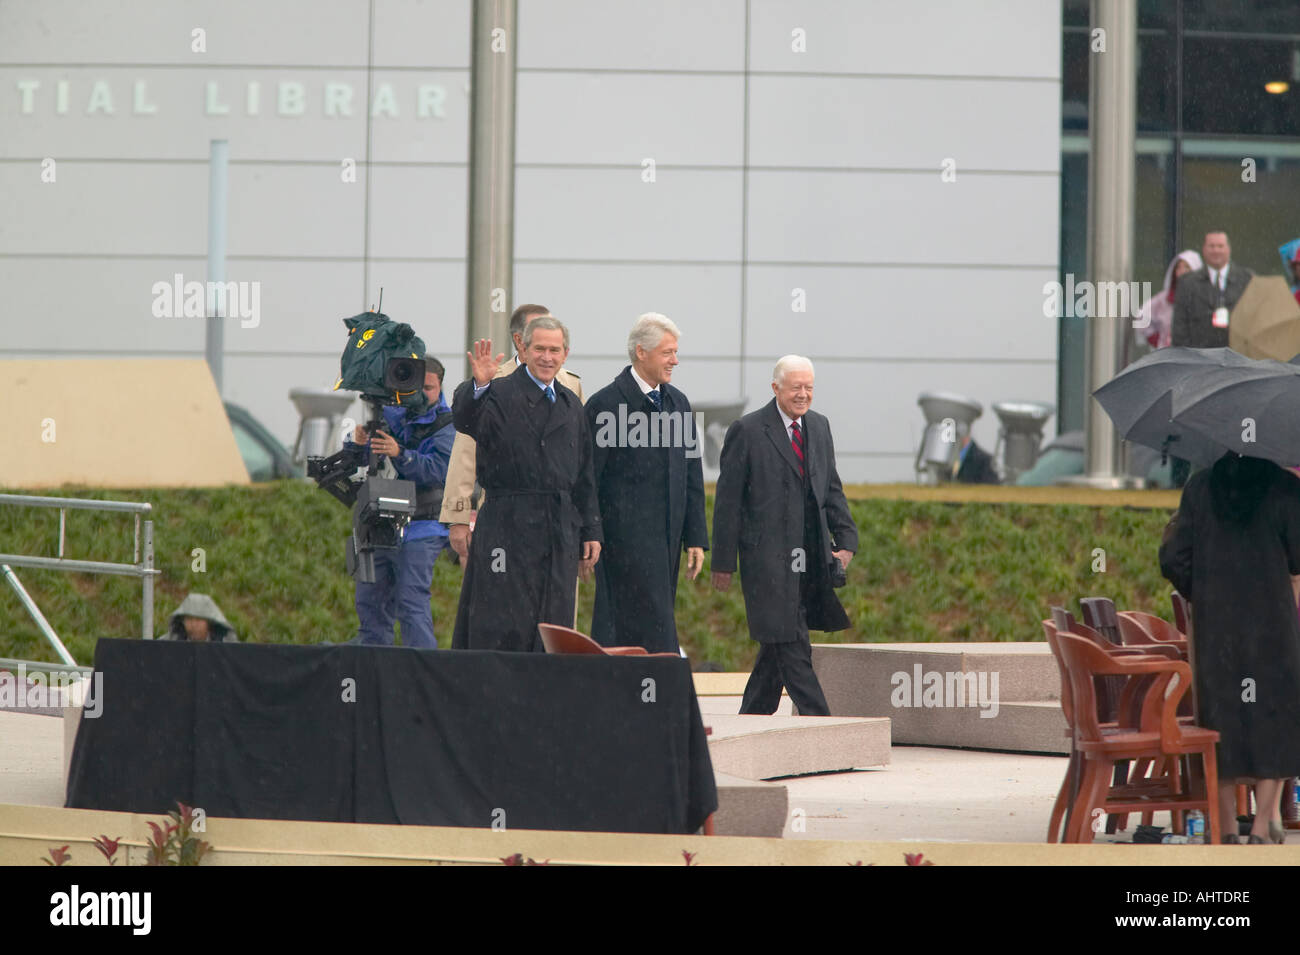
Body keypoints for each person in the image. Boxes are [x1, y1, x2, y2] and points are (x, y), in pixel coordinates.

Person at [1159, 453, 1300, 844]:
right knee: (1275, 715)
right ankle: (1260, 828)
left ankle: (1222, 827)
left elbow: (1173, 557)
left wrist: (1198, 591)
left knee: (1219, 721)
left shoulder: (1201, 487)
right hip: (1274, 625)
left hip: (1217, 627)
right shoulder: (1286, 488)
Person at [711, 355, 858, 716]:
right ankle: (823, 729)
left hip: (812, 559)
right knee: (793, 644)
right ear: (775, 388)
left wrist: (846, 540)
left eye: (809, 387)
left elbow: (831, 489)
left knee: (776, 647)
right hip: (768, 562)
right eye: (796, 387)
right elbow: (728, 503)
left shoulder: (819, 427)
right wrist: (723, 562)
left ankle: (750, 721)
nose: (803, 395)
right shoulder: (746, 431)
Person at [449, 317, 602, 652]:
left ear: (566, 354)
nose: (547, 357)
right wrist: (477, 387)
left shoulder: (570, 404)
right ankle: (499, 695)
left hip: (559, 530)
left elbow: (584, 474)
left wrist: (590, 529)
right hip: (507, 526)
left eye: (554, 350)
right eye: (540, 349)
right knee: (502, 620)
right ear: (524, 349)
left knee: (553, 622)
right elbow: (464, 418)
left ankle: (545, 695)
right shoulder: (497, 391)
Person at [585, 313, 708, 654]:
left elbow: (691, 475)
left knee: (656, 617)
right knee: (631, 625)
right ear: (642, 352)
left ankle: (645, 692)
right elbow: (588, 479)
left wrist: (695, 537)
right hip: (621, 540)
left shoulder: (678, 403)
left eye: (675, 351)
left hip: (666, 539)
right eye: (668, 352)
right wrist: (589, 532)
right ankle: (645, 690)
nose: (675, 360)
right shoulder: (605, 405)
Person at [440, 304, 584, 563]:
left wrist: (587, 524)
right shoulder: (492, 379)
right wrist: (458, 516)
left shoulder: (570, 384)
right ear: (521, 340)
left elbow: (579, 458)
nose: (548, 349)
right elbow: (466, 451)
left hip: (558, 523)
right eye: (539, 339)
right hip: (505, 516)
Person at [347, 357, 455, 648]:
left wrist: (400, 453)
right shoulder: (389, 417)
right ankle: (372, 668)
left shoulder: (447, 425)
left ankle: (421, 675)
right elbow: (362, 462)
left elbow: (438, 471)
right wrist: (357, 444)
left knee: (411, 602)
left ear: (441, 387)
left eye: (429, 388)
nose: (422, 395)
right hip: (379, 521)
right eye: (416, 389)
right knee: (370, 602)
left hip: (423, 525)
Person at [1171, 231, 1254, 349]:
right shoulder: (1187, 283)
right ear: (1204, 250)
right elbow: (1180, 326)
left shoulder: (1247, 279)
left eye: (1220, 246)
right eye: (1211, 246)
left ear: (1228, 249)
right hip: (1199, 358)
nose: (1216, 250)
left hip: (1237, 358)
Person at [1136, 250, 1203, 351]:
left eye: (1186, 267)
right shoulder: (1163, 299)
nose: (1182, 271)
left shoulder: (1205, 298)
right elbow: (1141, 317)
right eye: (1178, 267)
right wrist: (1157, 340)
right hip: (1168, 356)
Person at [156, 593, 238, 642]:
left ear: (209, 622)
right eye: (189, 619)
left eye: (198, 620)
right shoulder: (169, 642)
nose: (193, 624)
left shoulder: (226, 643)